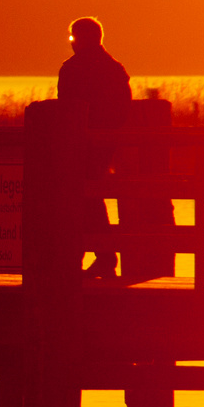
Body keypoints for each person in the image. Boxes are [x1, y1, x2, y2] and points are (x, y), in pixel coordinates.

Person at [57, 16, 132, 278]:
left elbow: (64, 108)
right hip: (103, 145)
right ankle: (99, 256)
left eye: (73, 38)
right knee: (89, 199)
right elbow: (124, 110)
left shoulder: (73, 69)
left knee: (78, 199)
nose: (72, 43)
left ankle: (92, 256)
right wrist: (108, 137)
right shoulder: (114, 69)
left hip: (79, 144)